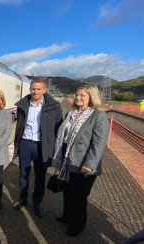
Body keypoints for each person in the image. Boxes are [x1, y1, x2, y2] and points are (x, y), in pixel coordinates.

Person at [53, 85, 110, 237]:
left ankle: (77, 225)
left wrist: (90, 164)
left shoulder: (98, 116)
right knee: (68, 191)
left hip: (83, 163)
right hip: (67, 159)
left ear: (91, 97)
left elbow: (98, 143)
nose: (78, 98)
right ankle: (67, 216)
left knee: (78, 196)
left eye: (82, 96)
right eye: (77, 95)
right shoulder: (71, 113)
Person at [12, 77, 63, 217]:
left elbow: (59, 128)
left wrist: (56, 148)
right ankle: (23, 199)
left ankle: (37, 202)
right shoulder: (23, 105)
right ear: (30, 89)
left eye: (39, 89)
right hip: (26, 144)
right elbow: (20, 126)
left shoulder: (54, 106)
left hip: (42, 146)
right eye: (33, 89)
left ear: (44, 90)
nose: (35, 91)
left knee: (40, 176)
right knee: (23, 174)